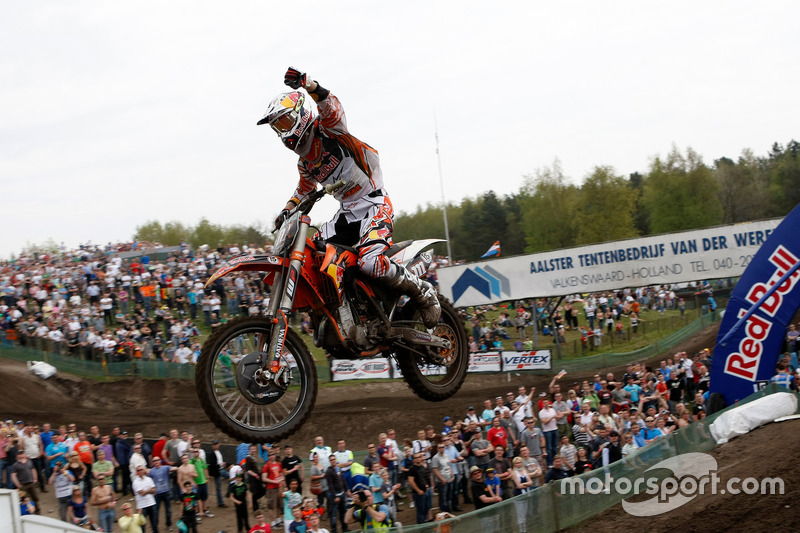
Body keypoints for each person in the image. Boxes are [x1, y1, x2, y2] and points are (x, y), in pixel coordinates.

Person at [259, 66, 440, 328]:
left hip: (374, 205)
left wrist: (308, 84)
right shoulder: (305, 162)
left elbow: (330, 105)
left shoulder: (330, 131)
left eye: (284, 123)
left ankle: (422, 291)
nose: (282, 133)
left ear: (300, 116)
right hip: (347, 213)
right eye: (278, 128)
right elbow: (304, 189)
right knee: (315, 253)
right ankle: (348, 310)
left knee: (369, 262)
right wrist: (286, 210)